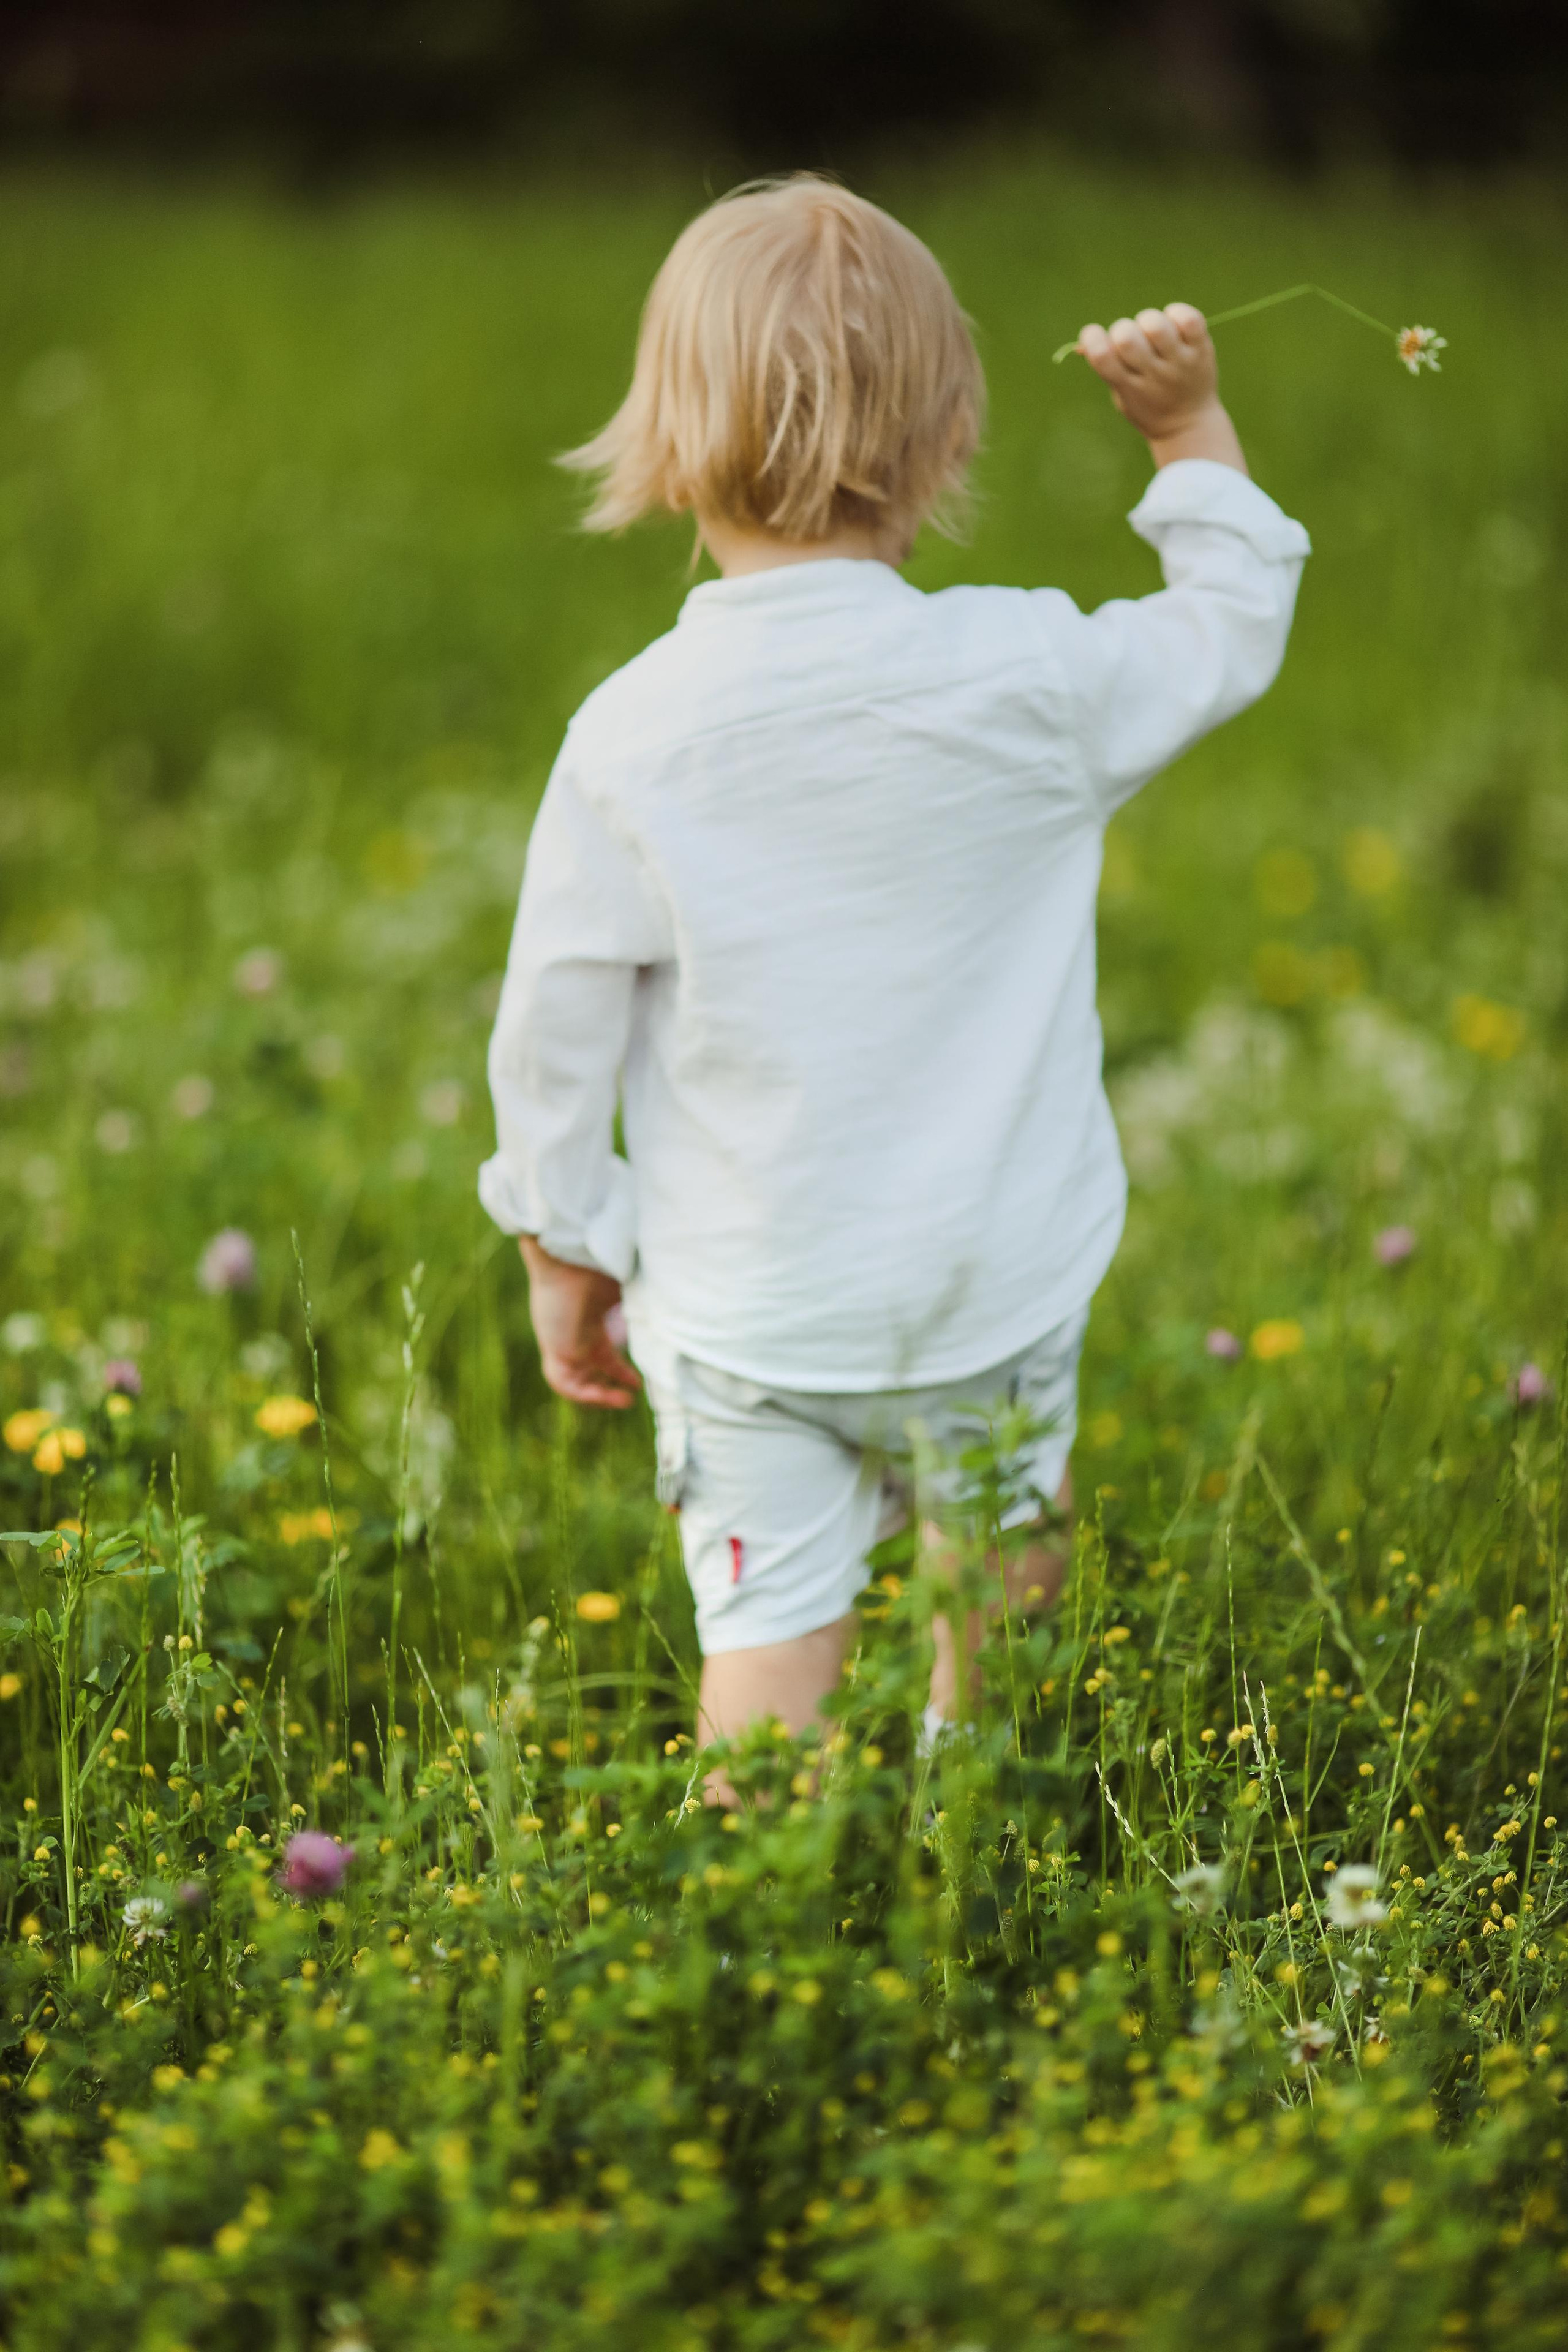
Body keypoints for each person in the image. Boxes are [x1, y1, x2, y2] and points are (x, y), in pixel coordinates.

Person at [479, 174, 1309, 1763]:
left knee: (766, 1666)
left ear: (660, 438)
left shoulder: (634, 733)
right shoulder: (1030, 675)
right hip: (988, 1286)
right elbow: (1225, 629)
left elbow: (557, 1029)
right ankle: (977, 1845)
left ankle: (761, 1929)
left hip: (749, 1314)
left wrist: (565, 1243)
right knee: (1001, 1589)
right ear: (947, 443)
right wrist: (1190, 437)